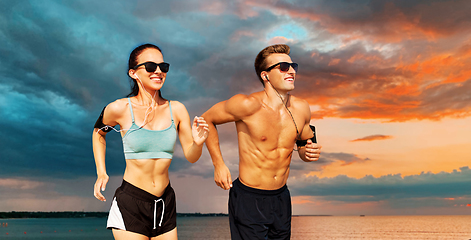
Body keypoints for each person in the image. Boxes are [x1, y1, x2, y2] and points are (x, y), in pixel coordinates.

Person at [202, 44, 321, 240]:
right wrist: (218, 164)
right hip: (249, 198)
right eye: (283, 67)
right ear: (265, 75)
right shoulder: (247, 105)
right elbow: (206, 119)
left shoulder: (302, 108)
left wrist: (307, 153)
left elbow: (304, 140)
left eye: (293, 66)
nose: (291, 71)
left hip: (281, 198)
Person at [92, 43, 209, 240]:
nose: (158, 71)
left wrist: (197, 143)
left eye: (163, 67)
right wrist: (101, 172)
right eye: (150, 66)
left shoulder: (177, 109)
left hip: (165, 202)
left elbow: (191, 156)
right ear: (133, 73)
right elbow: (98, 133)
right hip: (131, 202)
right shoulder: (118, 108)